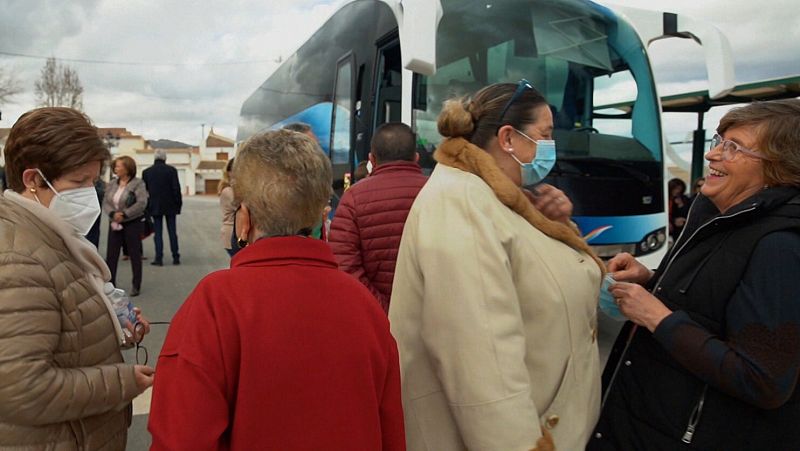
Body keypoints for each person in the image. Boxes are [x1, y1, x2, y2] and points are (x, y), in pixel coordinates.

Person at [148, 129, 405, 450]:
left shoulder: (215, 302)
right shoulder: (365, 305)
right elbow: (391, 429)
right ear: (318, 214)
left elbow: (182, 437)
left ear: (245, 219)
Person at [389, 81, 606, 450]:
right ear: (508, 138)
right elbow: (483, 365)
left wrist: (554, 224)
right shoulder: (462, 202)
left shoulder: (498, 196)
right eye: (544, 134)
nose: (550, 147)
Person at [588, 99, 800, 451]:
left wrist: (657, 316)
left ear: (778, 166)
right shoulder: (715, 212)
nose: (713, 155)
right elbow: (713, 299)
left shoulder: (780, 246)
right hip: (645, 422)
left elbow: (764, 381)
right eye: (719, 141)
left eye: (733, 148)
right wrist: (653, 279)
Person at [0, 107, 153, 450]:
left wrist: (115, 325)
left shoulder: (54, 236)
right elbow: (20, 389)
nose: (90, 193)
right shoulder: (17, 259)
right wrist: (122, 382)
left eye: (93, 181)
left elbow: (61, 329)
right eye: (78, 182)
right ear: (33, 180)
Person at [329, 122, 427, 312]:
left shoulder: (353, 198)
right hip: (430, 319)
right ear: (416, 158)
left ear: (371, 159)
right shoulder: (439, 192)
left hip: (377, 321)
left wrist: (384, 310)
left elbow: (345, 267)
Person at [103, 155, 148, 297]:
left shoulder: (138, 184)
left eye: (118, 166)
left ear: (127, 168)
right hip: (115, 223)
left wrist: (125, 214)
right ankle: (111, 285)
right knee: (111, 255)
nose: (116, 168)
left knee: (134, 255)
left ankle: (136, 285)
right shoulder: (112, 184)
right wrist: (112, 214)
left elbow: (141, 203)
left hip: (132, 223)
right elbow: (106, 201)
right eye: (115, 166)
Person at [142, 148, 182, 265]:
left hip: (154, 206)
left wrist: (147, 207)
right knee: (172, 232)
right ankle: (176, 257)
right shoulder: (172, 170)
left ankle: (159, 258)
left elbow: (145, 192)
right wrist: (178, 204)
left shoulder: (147, 172)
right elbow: (176, 189)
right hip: (170, 206)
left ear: (154, 158)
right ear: (165, 158)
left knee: (158, 233)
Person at [218, 157, 239, 257]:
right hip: (232, 235)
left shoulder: (234, 188)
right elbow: (243, 207)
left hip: (236, 233)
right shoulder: (228, 190)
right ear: (229, 172)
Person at [85, 178, 105, 248]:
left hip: (94, 211)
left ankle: (93, 250)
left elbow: (101, 193)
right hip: (84, 209)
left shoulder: (99, 182)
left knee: (93, 232)